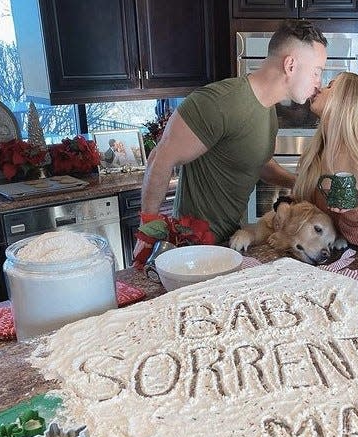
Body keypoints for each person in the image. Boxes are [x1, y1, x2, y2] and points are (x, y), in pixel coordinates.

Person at [134, 20, 328, 259]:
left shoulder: (268, 112)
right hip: (192, 247)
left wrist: (304, 184)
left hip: (228, 241)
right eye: (317, 71)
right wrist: (147, 234)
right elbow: (159, 158)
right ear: (290, 65)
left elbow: (261, 165)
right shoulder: (219, 103)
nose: (318, 82)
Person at [293, 72, 358, 254]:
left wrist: (352, 209)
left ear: (346, 102)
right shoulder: (320, 150)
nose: (319, 87)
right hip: (328, 265)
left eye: (330, 87)